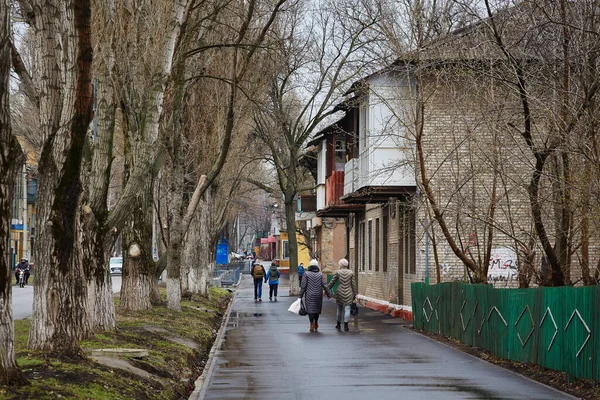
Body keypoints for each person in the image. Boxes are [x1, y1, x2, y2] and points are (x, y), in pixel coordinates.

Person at [299, 259, 331, 332]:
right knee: (316, 310)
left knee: (310, 310)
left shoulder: (306, 274)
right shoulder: (320, 274)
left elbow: (303, 286)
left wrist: (300, 296)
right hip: (318, 295)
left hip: (309, 295)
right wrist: (328, 294)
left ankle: (311, 324)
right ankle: (316, 323)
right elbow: (325, 285)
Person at [328, 258, 357, 332]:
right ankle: (346, 326)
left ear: (340, 265)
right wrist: (355, 293)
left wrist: (327, 289)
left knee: (339, 309)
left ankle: (338, 324)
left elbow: (332, 282)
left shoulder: (338, 272)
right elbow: (353, 284)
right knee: (347, 309)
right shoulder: (351, 273)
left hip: (340, 292)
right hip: (349, 292)